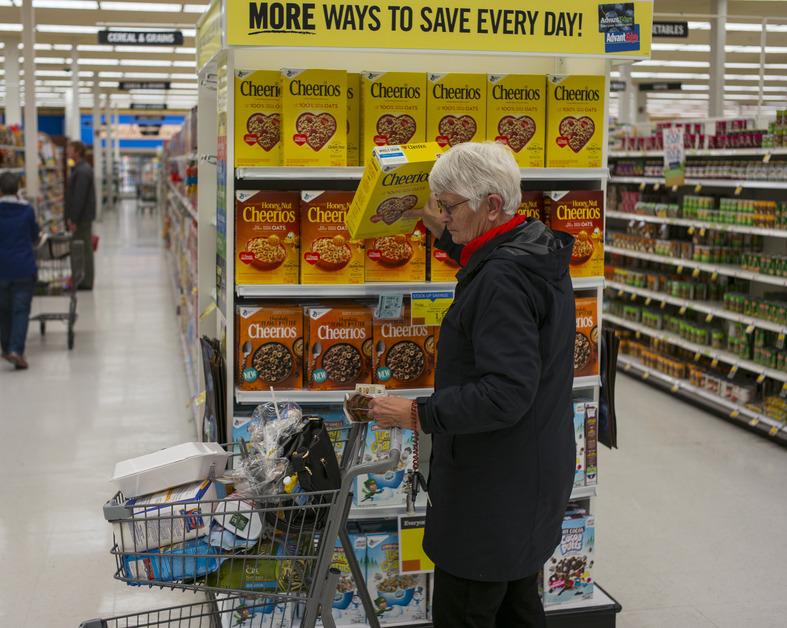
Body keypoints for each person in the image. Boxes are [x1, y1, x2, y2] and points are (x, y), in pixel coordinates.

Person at [369, 142, 577, 628]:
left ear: (491, 204)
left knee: (467, 611)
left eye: (449, 206)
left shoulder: (503, 280)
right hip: (527, 480)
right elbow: (484, 252)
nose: (444, 214)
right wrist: (439, 227)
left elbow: (506, 393)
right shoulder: (532, 247)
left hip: (491, 494)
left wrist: (419, 414)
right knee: (517, 606)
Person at [0, 172, 41, 370]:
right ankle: (16, 350)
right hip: (23, 268)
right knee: (20, 310)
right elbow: (34, 236)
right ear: (17, 189)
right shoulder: (27, 210)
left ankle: (7, 348)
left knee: (3, 310)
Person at [65, 141, 95, 290]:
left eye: (70, 149)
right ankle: (82, 279)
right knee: (83, 248)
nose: (67, 151)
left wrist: (74, 219)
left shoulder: (82, 171)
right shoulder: (80, 169)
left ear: (77, 151)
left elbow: (79, 197)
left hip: (82, 218)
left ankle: (85, 281)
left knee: (83, 249)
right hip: (83, 217)